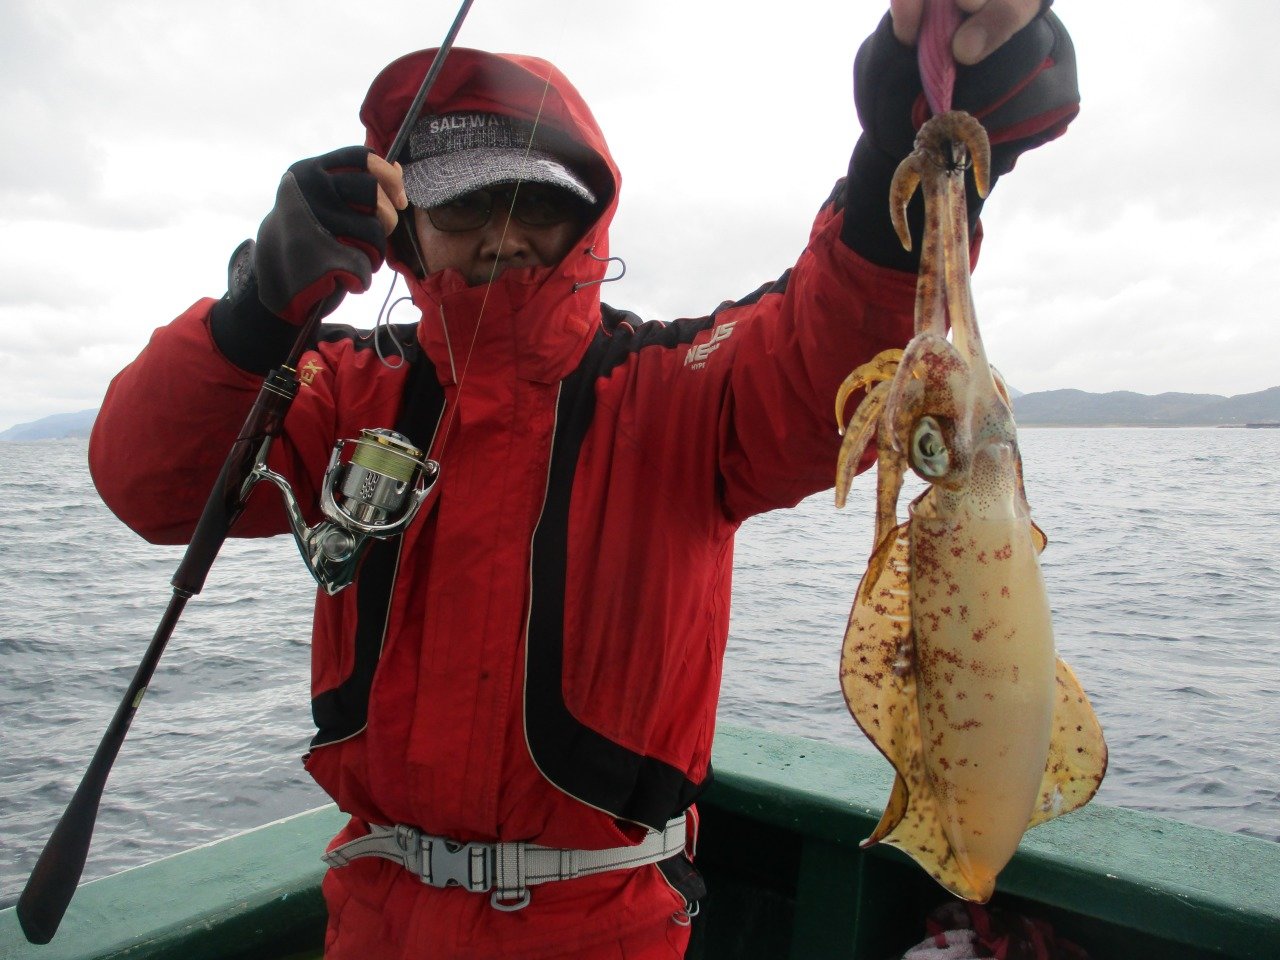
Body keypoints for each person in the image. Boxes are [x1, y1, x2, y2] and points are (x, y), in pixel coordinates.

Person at [88, 2, 1079, 957]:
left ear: (591, 217)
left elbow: (831, 350)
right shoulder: (339, 387)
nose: (502, 233)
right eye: (466, 199)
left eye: (542, 203)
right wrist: (255, 306)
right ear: (407, 228)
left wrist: (897, 158)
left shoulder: (676, 390)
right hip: (372, 919)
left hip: (600, 928)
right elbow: (152, 483)